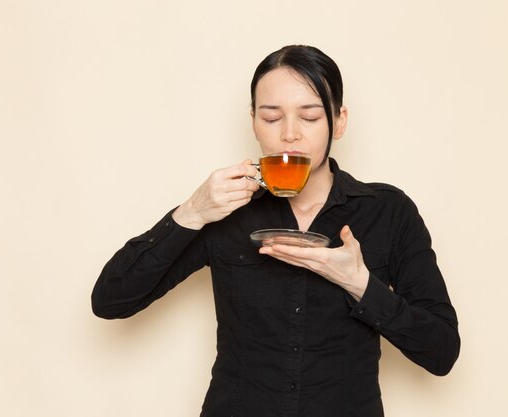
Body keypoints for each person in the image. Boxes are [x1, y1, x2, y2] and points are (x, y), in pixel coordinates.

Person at [92, 45, 460, 417]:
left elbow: (442, 352)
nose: (289, 135)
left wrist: (360, 285)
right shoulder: (225, 209)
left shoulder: (388, 210)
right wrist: (191, 212)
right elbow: (110, 300)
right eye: (271, 118)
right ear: (253, 122)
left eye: (310, 117)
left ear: (340, 120)